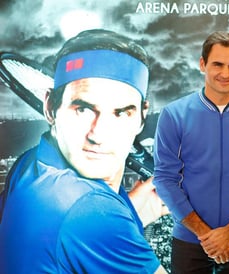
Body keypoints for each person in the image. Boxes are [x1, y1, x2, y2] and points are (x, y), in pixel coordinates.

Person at [0, 29, 167, 274]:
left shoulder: (28, 164)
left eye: (121, 113)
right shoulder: (94, 213)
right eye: (83, 109)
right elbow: (87, 220)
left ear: (142, 117)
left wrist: (128, 212)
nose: (98, 135)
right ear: (50, 108)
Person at [153, 31, 229, 273]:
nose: (226, 73)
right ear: (202, 64)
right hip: (190, 240)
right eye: (217, 64)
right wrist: (206, 235)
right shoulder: (174, 114)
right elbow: (165, 179)